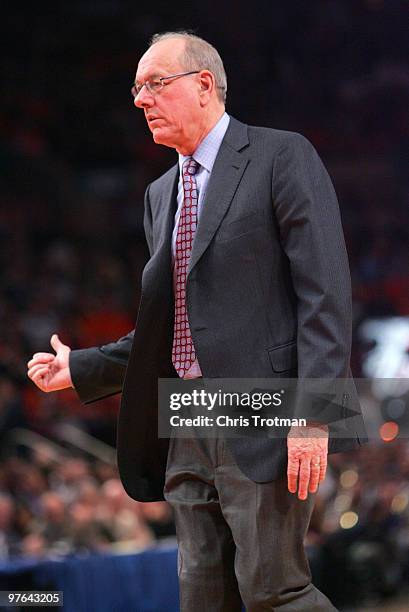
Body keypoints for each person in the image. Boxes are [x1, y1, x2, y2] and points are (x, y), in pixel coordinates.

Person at [28, 31, 367, 611]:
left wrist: (315, 416)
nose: (140, 100)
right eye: (136, 88)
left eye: (155, 84)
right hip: (185, 417)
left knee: (274, 591)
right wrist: (80, 368)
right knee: (203, 599)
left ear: (204, 85)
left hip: (264, 411)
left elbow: (325, 297)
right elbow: (168, 329)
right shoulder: (160, 194)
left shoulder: (280, 156)